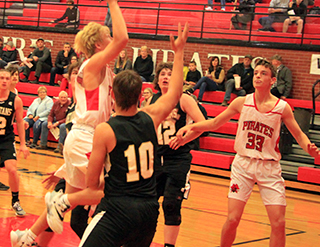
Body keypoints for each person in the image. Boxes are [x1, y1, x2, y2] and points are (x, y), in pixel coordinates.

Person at [10, 0, 129, 247]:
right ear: (99, 45)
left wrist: (65, 167)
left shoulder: (98, 66)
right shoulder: (93, 64)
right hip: (87, 138)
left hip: (84, 137)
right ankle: (58, 202)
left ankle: (27, 238)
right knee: (106, 192)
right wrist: (112, 0)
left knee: (66, 205)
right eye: (106, 38)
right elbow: (123, 38)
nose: (111, 40)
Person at [171, 59, 320, 247]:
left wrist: (310, 149)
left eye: (263, 73)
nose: (257, 76)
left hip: (269, 168)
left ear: (273, 80)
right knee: (233, 218)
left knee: (279, 223)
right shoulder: (242, 102)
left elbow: (299, 135)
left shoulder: (282, 107)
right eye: (256, 73)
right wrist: (189, 131)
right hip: (243, 165)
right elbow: (214, 123)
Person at [78, 23, 188, 247]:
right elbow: (175, 92)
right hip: (148, 211)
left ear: (113, 94)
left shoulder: (105, 129)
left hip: (117, 208)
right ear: (140, 94)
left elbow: (93, 183)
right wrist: (178, 53)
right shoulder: (151, 116)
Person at [149, 58, 206, 247]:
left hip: (178, 159)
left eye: (169, 74)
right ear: (157, 79)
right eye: (162, 74)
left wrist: (184, 138)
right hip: (156, 158)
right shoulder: (153, 99)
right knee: (149, 204)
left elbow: (202, 125)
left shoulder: (184, 99)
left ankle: (168, 245)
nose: (166, 77)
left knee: (171, 204)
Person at [0, 69, 29, 216]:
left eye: (7, 78)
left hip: (6, 139)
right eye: (1, 78)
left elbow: (19, 122)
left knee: (11, 169)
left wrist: (23, 144)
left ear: (11, 80)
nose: (4, 81)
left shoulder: (16, 100)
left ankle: (15, 201)